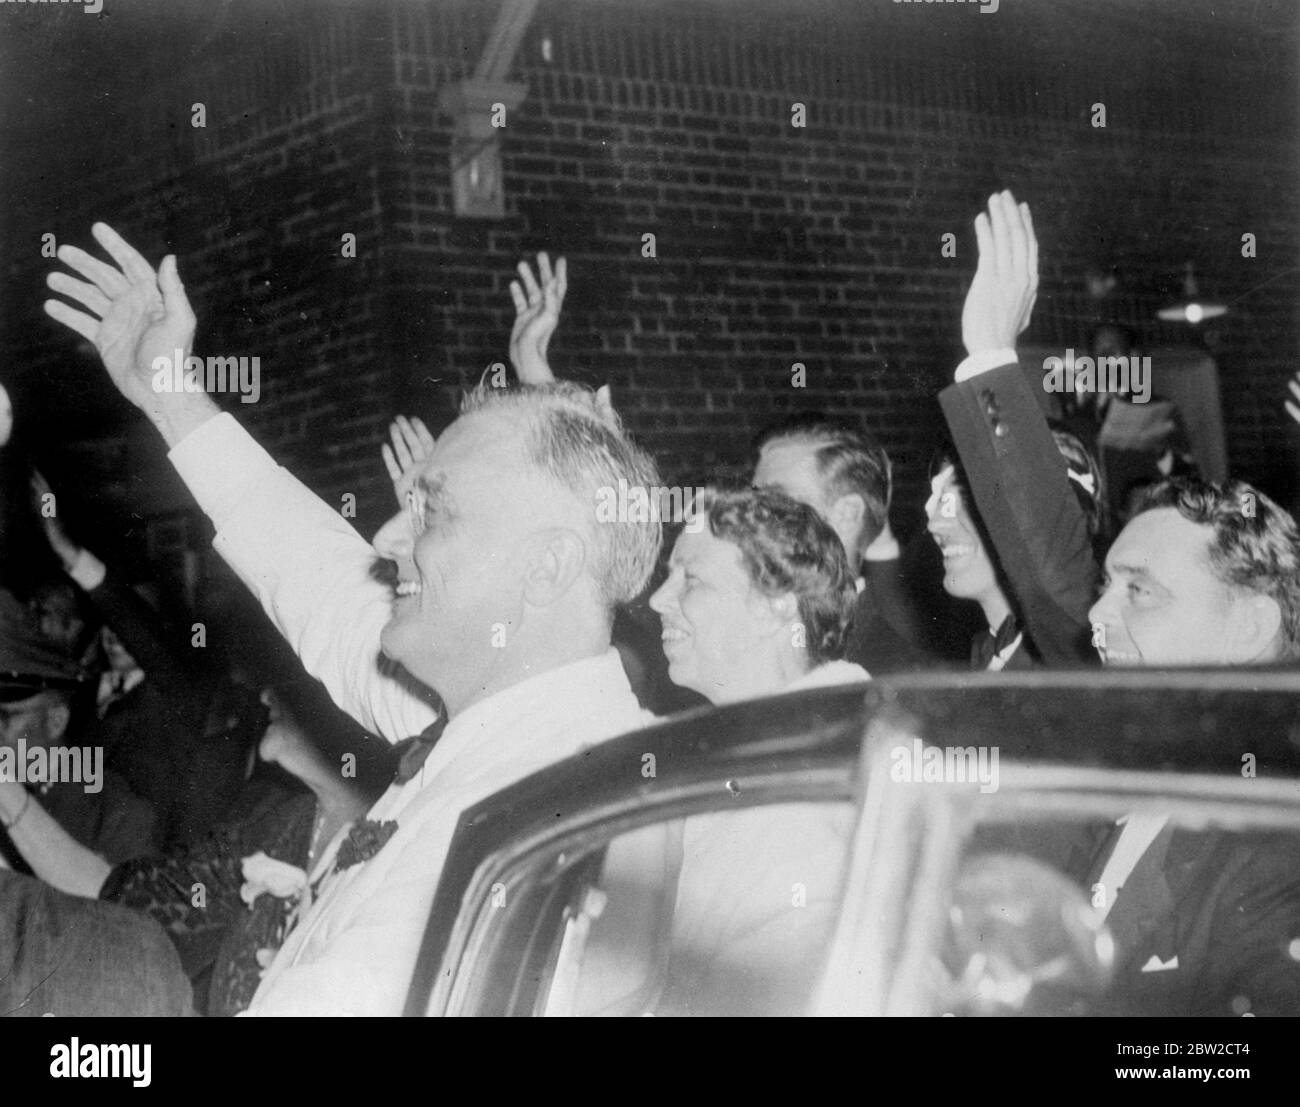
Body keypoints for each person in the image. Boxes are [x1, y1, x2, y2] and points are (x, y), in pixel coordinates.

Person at [44, 224, 661, 1015]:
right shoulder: (508, 719)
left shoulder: (525, 823)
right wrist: (169, 392)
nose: (386, 537)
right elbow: (320, 584)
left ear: (547, 565)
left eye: (432, 513)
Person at [951, 190, 1300, 1016]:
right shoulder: (1134, 762)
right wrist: (989, 353)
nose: (1098, 617)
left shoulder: (1277, 847)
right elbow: (1054, 581)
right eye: (1111, 583)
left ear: (1252, 626)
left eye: (1138, 591)